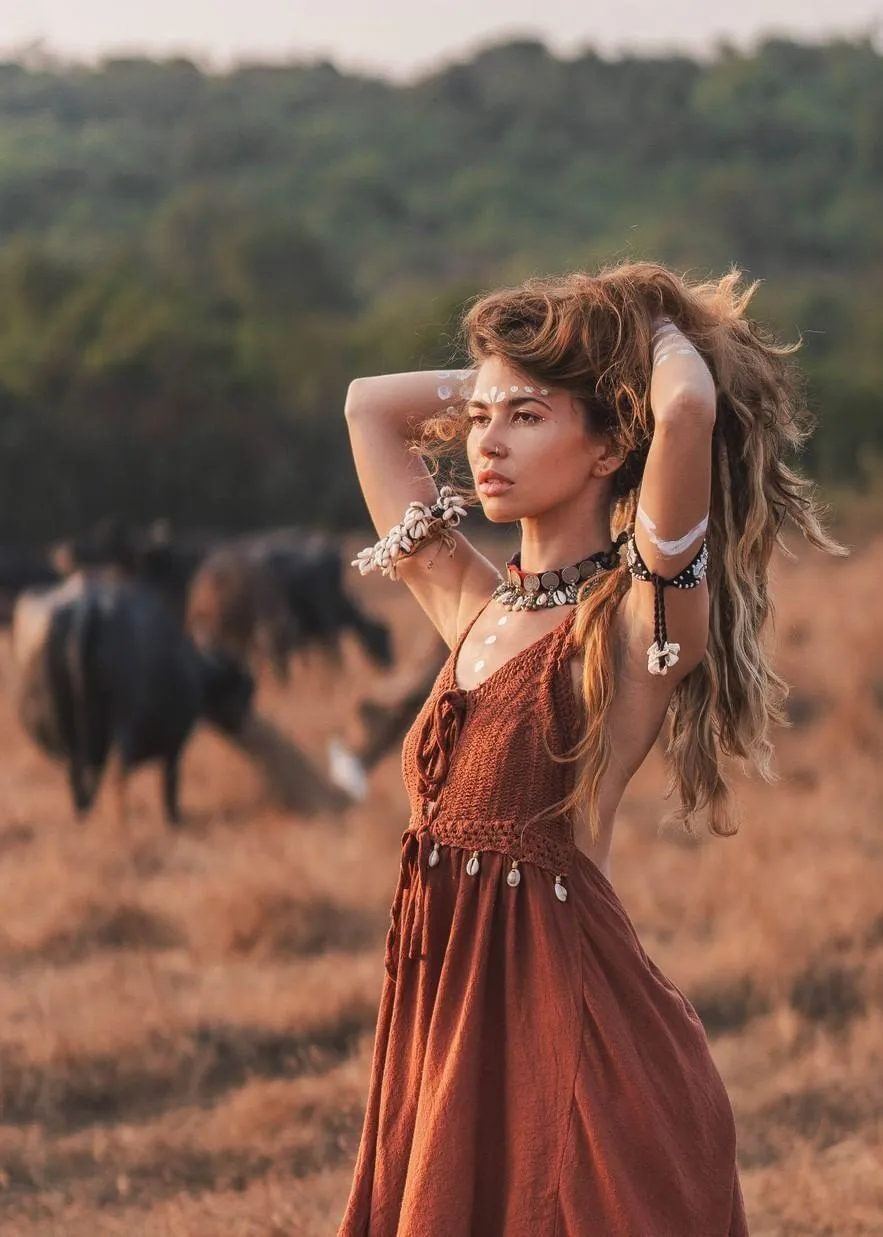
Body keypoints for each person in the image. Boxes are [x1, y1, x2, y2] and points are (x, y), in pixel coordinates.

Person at [337, 262, 841, 1236]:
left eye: (526, 419)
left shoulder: (636, 627)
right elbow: (367, 407)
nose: (486, 441)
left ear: (611, 442)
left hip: (569, 1037)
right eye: (480, 419)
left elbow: (685, 406)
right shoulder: (468, 605)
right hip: (447, 1024)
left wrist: (634, 327)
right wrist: (512, 377)